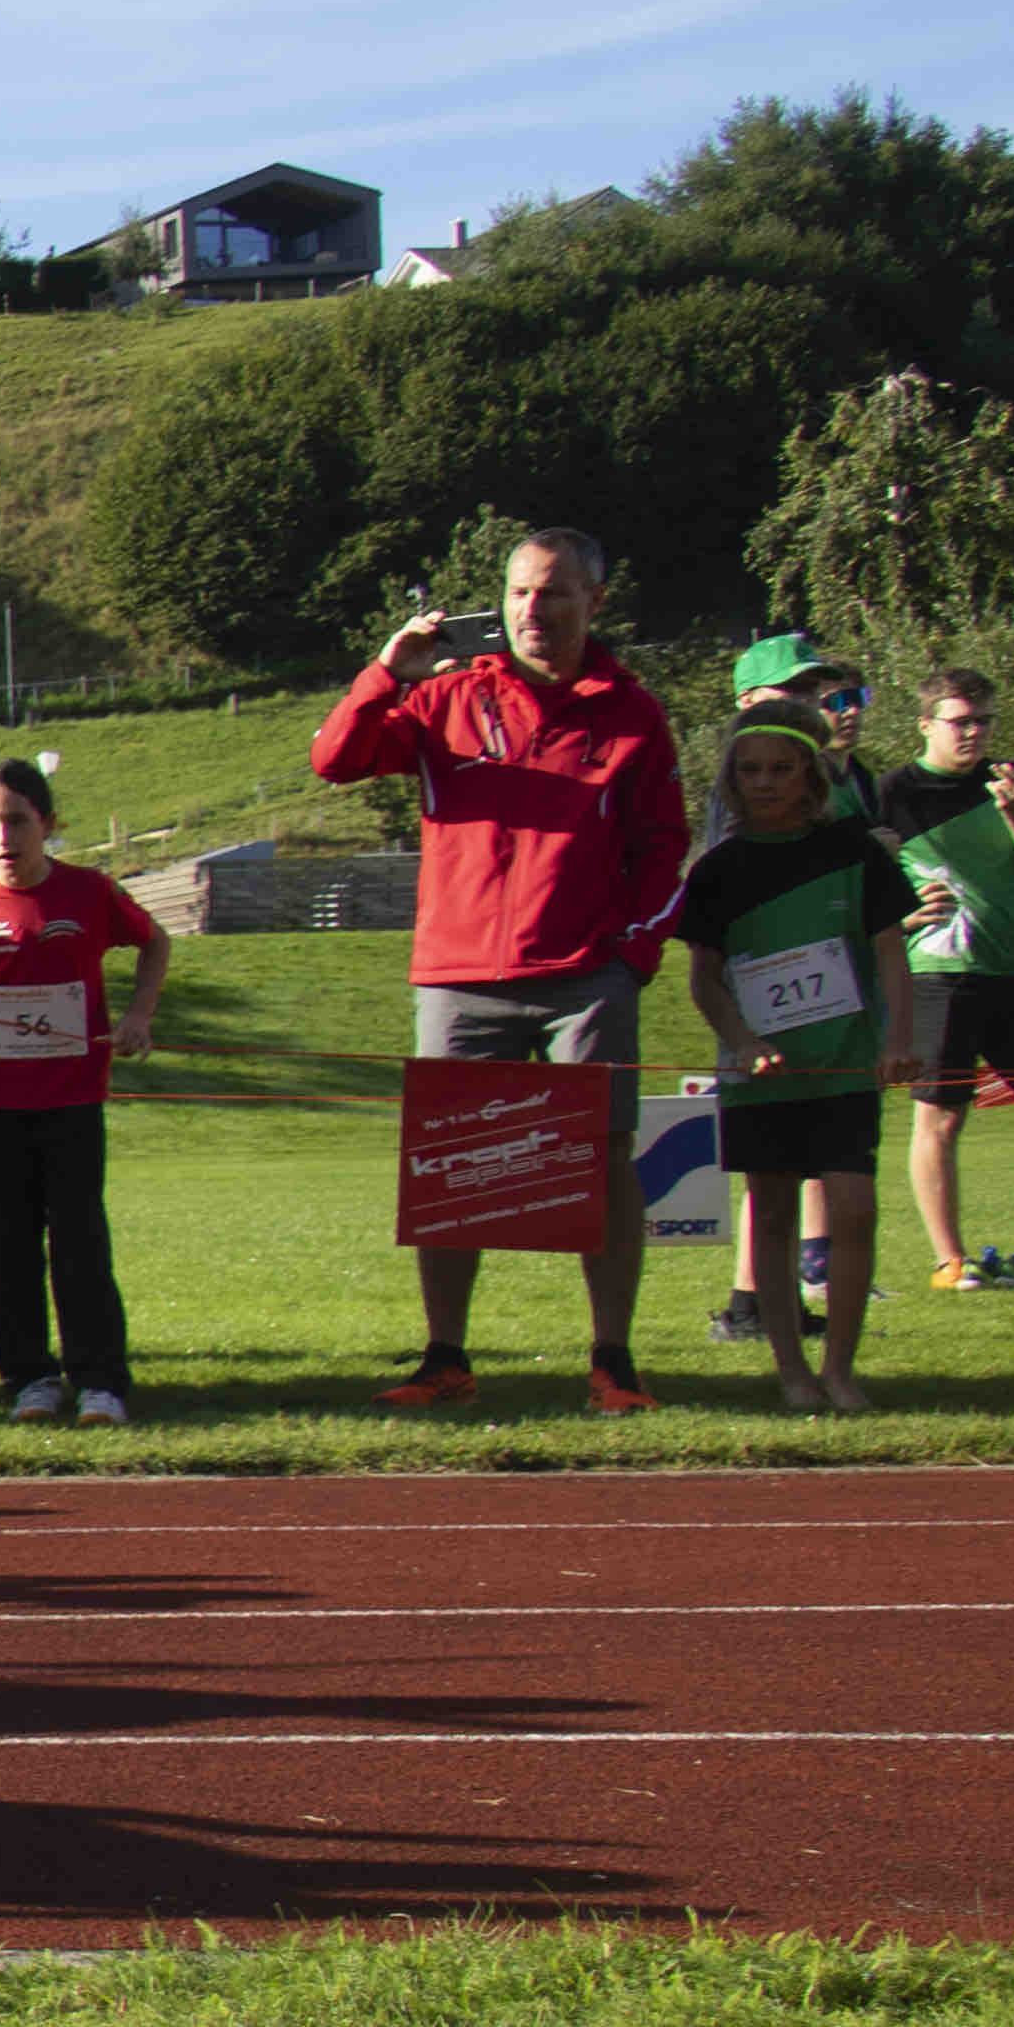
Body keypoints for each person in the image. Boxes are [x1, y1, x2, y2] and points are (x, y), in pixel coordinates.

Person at [317, 530, 684, 1412]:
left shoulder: (632, 713)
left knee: (607, 1159)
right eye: (518, 592)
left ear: (594, 601)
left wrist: (631, 955)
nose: (532, 610)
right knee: (450, 1165)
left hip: (584, 977)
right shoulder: (447, 695)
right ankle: (446, 1358)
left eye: (552, 592)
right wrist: (387, 673)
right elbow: (336, 760)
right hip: (460, 975)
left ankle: (613, 1361)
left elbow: (664, 848)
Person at [0, 762, 164, 1426]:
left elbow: (154, 941)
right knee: (6, 1246)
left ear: (47, 824)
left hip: (73, 1099)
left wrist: (139, 1016)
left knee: (80, 1242)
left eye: (17, 821)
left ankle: (99, 1381)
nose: (4, 837)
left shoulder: (89, 891)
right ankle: (29, 1379)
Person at [683, 693, 911, 1418]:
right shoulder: (718, 870)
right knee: (774, 1217)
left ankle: (840, 1368)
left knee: (855, 1208)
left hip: (844, 1063)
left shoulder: (855, 854)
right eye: (750, 770)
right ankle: (792, 1370)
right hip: (760, 1075)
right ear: (732, 780)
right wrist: (742, 1042)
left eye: (781, 769)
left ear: (811, 777)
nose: (765, 782)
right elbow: (704, 979)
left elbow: (891, 953)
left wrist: (899, 1040)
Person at [870, 669, 1014, 1298]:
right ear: (926, 724)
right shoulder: (891, 793)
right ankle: (949, 1262)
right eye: (961, 722)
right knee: (941, 1119)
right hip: (938, 975)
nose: (974, 733)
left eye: (984, 721)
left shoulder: (1008, 781)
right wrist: (903, 919)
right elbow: (865, 884)